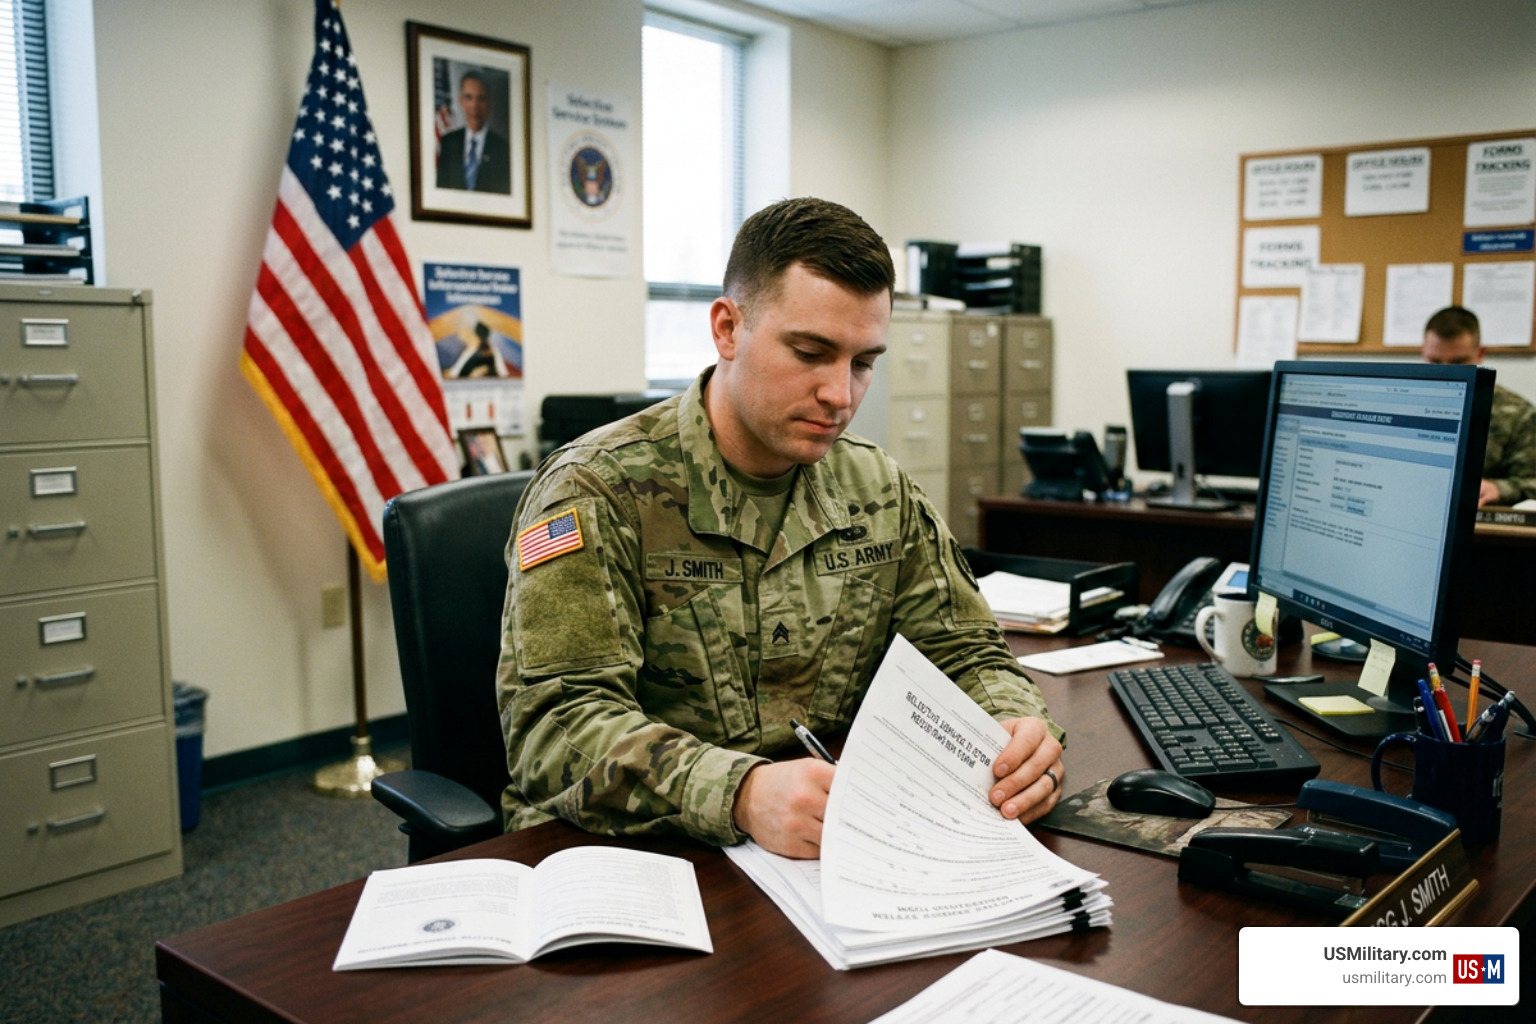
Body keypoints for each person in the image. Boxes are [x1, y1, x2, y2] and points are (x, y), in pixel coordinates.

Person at [495, 198, 1064, 859]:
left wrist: (1014, 727)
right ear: (728, 328)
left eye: (862, 362)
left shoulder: (876, 490)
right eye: (811, 352)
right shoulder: (596, 490)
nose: (840, 395)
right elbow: (554, 726)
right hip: (637, 855)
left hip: (822, 851)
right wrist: (738, 791)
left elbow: (967, 654)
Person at [1421, 306, 1536, 506]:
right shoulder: (1406, 403)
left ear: (1480, 353)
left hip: (1479, 525)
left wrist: (1499, 488)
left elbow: (1531, 482)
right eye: (1435, 362)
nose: (1447, 373)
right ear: (1423, 353)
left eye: (1459, 363)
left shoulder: (1517, 414)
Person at [435, 70, 511, 194]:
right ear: (461, 101)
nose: (474, 105)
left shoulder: (503, 149)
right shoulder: (448, 142)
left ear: (490, 103)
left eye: (481, 98)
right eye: (468, 97)